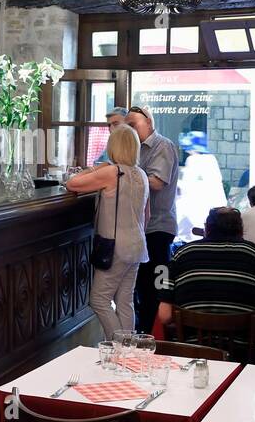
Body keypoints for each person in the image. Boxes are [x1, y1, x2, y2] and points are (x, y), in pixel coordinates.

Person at [67, 125, 148, 339]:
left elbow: (72, 183)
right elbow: (146, 215)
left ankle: (119, 346)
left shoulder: (113, 172)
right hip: (137, 244)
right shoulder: (141, 174)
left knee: (99, 300)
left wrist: (96, 168)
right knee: (125, 300)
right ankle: (129, 349)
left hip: (115, 247)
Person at [157, 207, 255, 327]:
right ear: (241, 230)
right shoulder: (252, 252)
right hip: (241, 349)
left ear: (207, 229)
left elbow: (165, 316)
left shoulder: (182, 253)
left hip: (190, 347)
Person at [125, 105, 178, 334]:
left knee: (157, 286)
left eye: (133, 125)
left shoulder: (162, 146)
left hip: (158, 229)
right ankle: (143, 333)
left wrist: (126, 175)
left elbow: (157, 182)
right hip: (140, 229)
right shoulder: (133, 150)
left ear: (149, 123)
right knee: (140, 288)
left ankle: (156, 336)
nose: (130, 130)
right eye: (127, 126)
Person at [175, 131, 225, 244]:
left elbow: (187, 187)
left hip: (196, 210)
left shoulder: (193, 160)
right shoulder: (211, 159)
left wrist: (176, 184)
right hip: (213, 209)